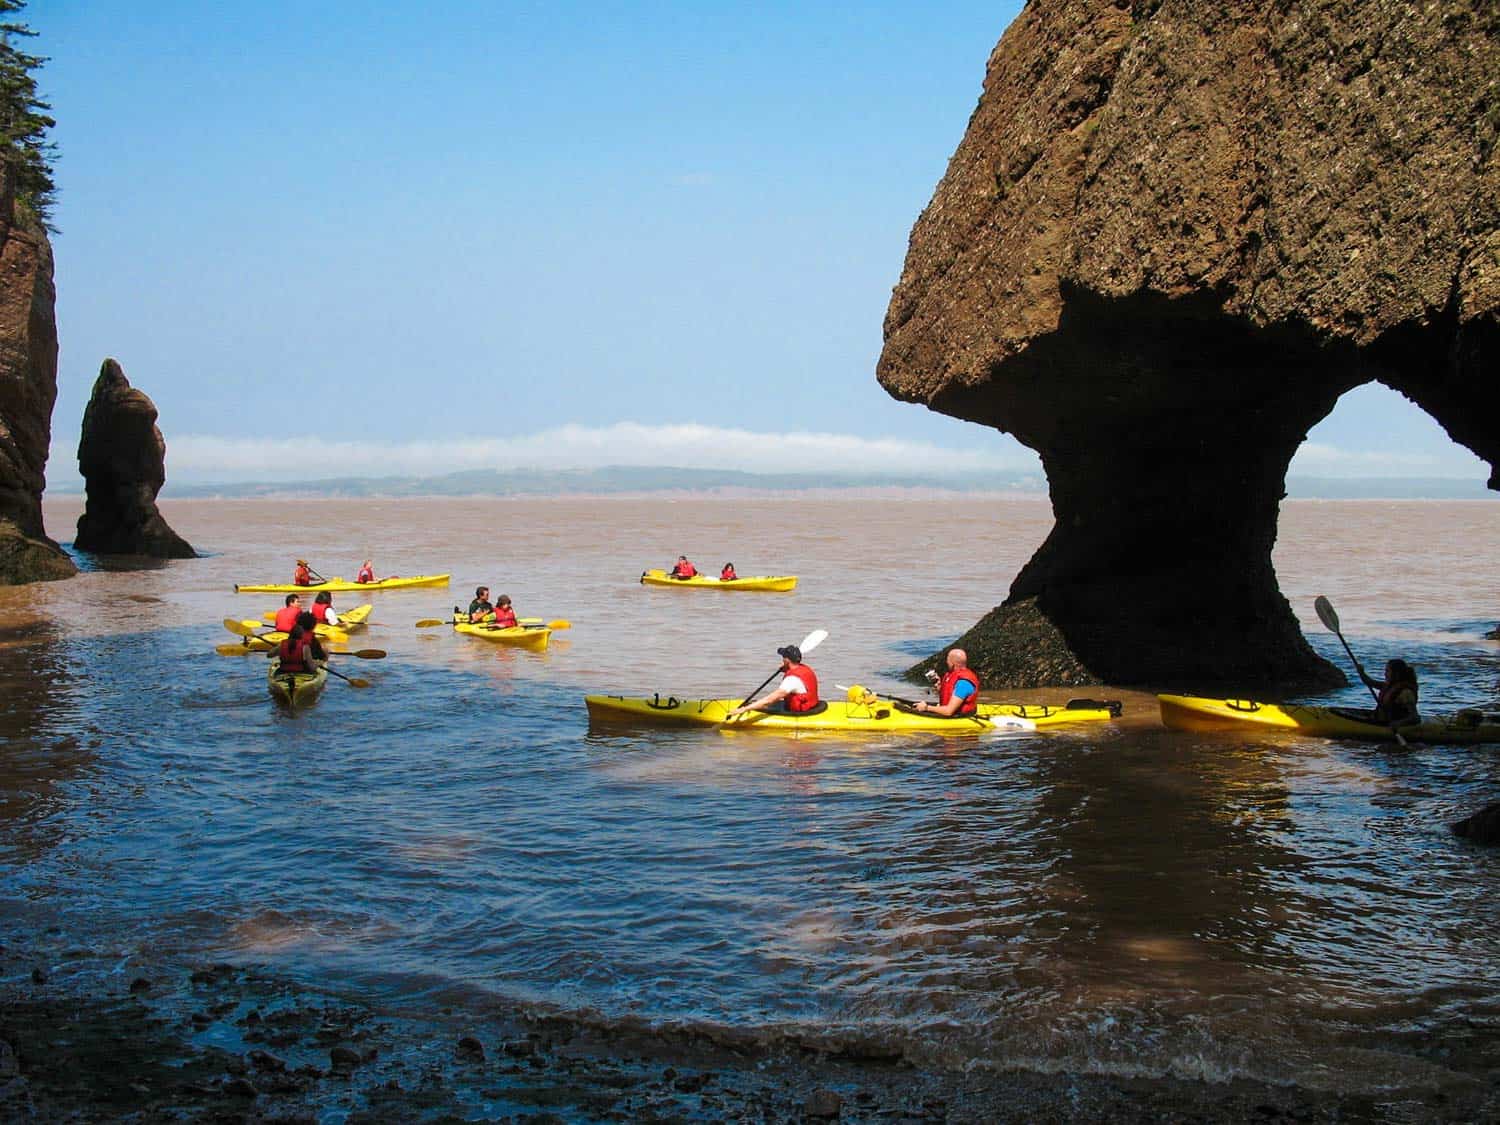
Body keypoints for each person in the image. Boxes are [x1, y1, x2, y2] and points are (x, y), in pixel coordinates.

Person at [728, 644, 820, 716]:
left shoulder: (791, 681)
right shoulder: (804, 669)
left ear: (787, 660)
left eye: (783, 657)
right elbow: (798, 682)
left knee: (766, 702)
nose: (782, 659)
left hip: (802, 711)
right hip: (812, 705)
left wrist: (745, 709)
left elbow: (768, 700)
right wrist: (786, 669)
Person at [913, 648, 980, 716]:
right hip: (949, 711)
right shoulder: (951, 674)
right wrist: (940, 687)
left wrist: (927, 708)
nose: (946, 662)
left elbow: (948, 711)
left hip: (958, 716)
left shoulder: (963, 684)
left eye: (947, 660)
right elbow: (949, 695)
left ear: (952, 664)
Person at [1359, 658, 1420, 725]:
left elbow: (1414, 717)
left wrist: (1397, 723)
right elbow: (1370, 682)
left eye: (1387, 671)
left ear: (1396, 673)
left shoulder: (1406, 693)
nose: (1385, 674)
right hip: (1382, 721)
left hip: (1395, 724)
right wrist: (1361, 673)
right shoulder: (1388, 686)